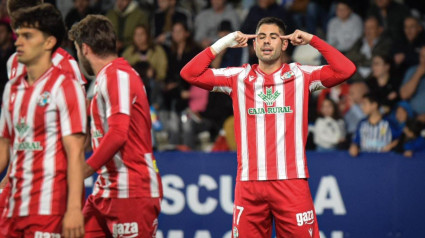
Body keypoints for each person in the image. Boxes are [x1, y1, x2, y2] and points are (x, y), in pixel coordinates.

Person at [180, 16, 356, 237]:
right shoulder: (238, 77)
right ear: (253, 45)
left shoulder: (301, 75)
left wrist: (312, 40)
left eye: (273, 37)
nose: (266, 42)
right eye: (261, 37)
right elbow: (189, 73)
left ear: (284, 44)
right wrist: (224, 42)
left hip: (291, 183)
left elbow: (345, 70)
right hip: (249, 185)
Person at [68, 14, 163, 237]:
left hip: (131, 190)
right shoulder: (106, 78)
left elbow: (118, 133)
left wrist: (82, 170)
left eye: (76, 50)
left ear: (85, 49)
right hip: (106, 190)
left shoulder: (117, 75)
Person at [0, 4, 86, 237]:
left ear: (48, 42)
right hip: (14, 206)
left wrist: (74, 208)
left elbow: (76, 152)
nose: (18, 41)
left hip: (49, 206)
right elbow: (5, 145)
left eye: (27, 36)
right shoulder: (12, 88)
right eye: (18, 35)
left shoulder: (65, 84)